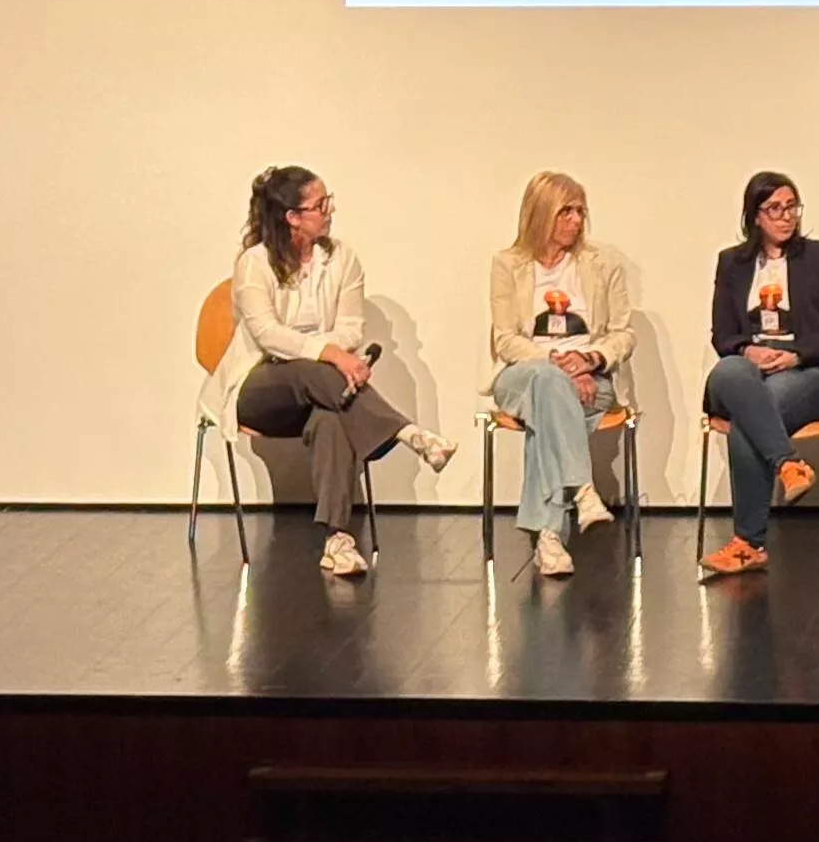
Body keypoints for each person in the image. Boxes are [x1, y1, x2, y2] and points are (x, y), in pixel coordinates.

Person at [209, 164, 451, 579]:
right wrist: (333, 355)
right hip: (261, 387)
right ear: (292, 217)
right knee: (311, 372)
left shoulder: (342, 258)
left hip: (323, 387)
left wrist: (330, 354)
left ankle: (338, 540)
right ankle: (407, 433)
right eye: (320, 205)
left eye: (328, 201)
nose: (330, 210)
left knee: (331, 415)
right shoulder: (255, 263)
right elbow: (268, 335)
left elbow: (352, 326)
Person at [701, 171, 819, 578]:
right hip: (749, 370)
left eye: (791, 206)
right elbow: (723, 335)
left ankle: (749, 543)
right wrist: (747, 350)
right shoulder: (732, 263)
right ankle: (788, 462)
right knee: (730, 371)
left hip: (810, 370)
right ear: (755, 215)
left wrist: (793, 357)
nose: (785, 216)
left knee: (750, 414)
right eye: (774, 208)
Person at [488, 169, 636, 579]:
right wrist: (555, 364)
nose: (575, 221)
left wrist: (590, 360)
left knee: (546, 420)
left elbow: (624, 333)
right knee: (548, 386)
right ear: (540, 214)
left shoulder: (602, 264)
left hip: (592, 380)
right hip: (525, 374)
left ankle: (549, 538)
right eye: (565, 212)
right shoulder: (508, 264)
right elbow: (505, 338)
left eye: (580, 212)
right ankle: (582, 490)